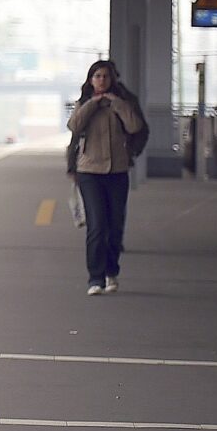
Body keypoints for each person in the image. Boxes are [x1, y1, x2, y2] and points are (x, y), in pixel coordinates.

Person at [66, 58, 146, 295]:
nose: (102, 81)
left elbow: (135, 127)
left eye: (105, 77)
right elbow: (74, 126)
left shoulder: (123, 102)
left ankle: (112, 271)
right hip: (89, 171)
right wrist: (93, 103)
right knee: (97, 224)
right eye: (97, 76)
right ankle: (95, 278)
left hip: (117, 171)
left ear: (112, 80)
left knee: (115, 225)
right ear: (91, 81)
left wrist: (117, 104)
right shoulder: (85, 103)